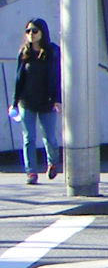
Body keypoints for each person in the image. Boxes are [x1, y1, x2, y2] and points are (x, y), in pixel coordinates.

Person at [13, 18, 60, 183]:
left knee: (49, 137)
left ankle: (53, 163)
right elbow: (19, 79)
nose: (31, 35)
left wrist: (57, 99)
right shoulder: (24, 52)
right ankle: (31, 172)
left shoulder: (53, 51)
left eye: (34, 31)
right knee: (29, 138)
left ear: (42, 32)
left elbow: (57, 76)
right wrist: (14, 102)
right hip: (27, 101)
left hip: (47, 101)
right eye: (28, 31)